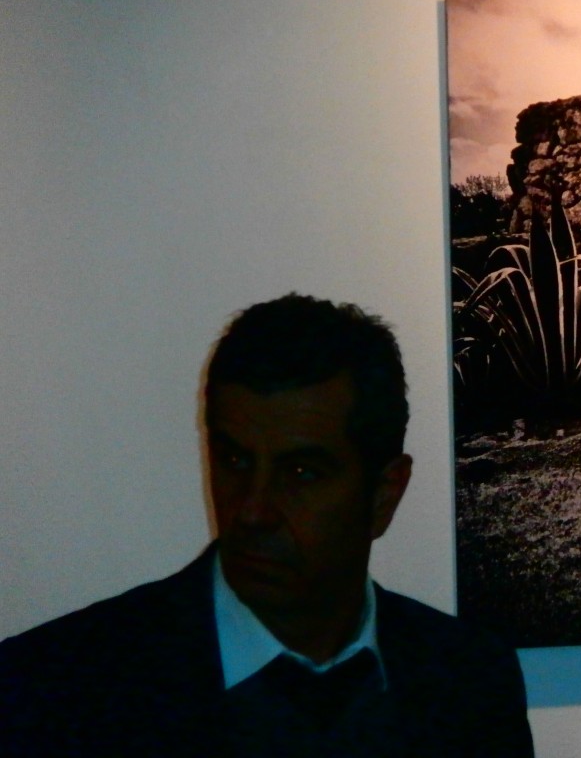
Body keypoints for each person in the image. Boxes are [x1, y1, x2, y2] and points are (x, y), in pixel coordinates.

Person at [0, 293, 534, 757]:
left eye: (301, 473)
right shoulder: (53, 690)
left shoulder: (471, 681)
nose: (251, 511)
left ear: (384, 494)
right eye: (234, 461)